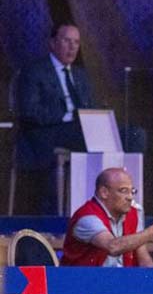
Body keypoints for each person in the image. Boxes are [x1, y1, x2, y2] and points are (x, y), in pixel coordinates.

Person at [15, 22, 94, 213]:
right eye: (67, 40)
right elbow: (28, 111)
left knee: (132, 134)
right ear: (52, 43)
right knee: (88, 135)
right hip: (45, 133)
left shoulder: (81, 75)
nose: (72, 46)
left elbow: (90, 107)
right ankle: (76, 210)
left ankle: (114, 209)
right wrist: (66, 115)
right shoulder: (34, 71)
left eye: (76, 42)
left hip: (78, 130)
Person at [60, 168, 153, 267]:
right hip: (83, 284)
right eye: (124, 191)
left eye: (132, 191)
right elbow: (113, 246)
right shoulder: (87, 217)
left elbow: (142, 256)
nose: (130, 197)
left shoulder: (133, 212)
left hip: (121, 283)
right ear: (104, 192)